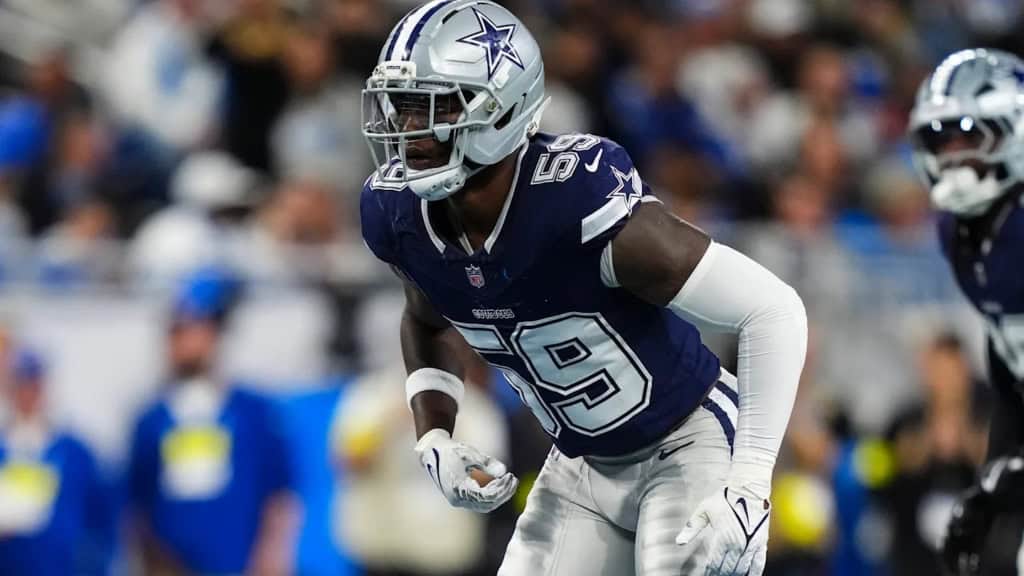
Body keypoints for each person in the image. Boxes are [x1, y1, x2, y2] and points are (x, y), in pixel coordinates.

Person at [358, 2, 808, 574]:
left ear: (503, 106)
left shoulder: (572, 201)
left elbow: (773, 311)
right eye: (400, 105)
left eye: (434, 104)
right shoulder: (396, 213)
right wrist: (435, 438)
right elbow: (427, 319)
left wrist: (750, 480)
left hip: (689, 441)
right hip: (581, 466)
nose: (407, 127)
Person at [908, 48, 1024, 575]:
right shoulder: (961, 231)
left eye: (968, 135)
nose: (952, 157)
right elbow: (1009, 355)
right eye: (940, 140)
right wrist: (996, 471)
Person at [126, 269, 297, 575]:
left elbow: (279, 497)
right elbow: (136, 509)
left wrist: (270, 560)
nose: (187, 341)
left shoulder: (253, 412)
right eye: (178, 330)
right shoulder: (150, 421)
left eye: (196, 328)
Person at [0, 347, 113, 575]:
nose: (27, 394)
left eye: (34, 384)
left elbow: (102, 520)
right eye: (20, 385)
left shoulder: (75, 452)